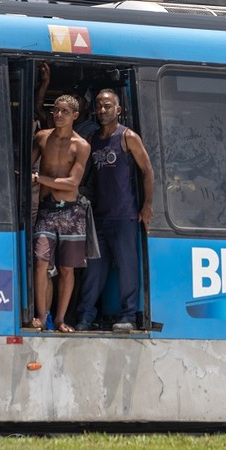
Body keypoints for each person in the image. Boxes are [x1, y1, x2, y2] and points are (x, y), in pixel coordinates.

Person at [74, 89, 154, 332]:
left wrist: (147, 205)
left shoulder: (128, 137)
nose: (102, 110)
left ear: (118, 110)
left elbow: (148, 171)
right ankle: (85, 318)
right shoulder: (92, 140)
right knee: (93, 271)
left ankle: (128, 316)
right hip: (99, 217)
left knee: (127, 268)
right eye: (99, 106)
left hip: (125, 216)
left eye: (107, 106)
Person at [31, 95, 91, 332]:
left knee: (67, 269)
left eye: (64, 111)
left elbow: (72, 183)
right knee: (40, 262)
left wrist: (39, 178)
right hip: (46, 209)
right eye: (56, 110)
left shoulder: (81, 145)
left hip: (72, 213)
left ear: (75, 116)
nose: (58, 115)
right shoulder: (42, 137)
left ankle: (60, 319)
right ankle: (40, 316)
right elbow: (25, 165)